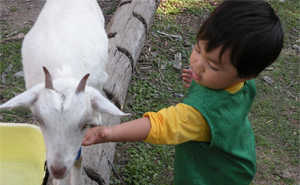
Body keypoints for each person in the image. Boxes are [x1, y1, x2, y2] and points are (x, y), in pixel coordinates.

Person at [82, 0, 284, 184]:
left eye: (212, 66)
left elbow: (161, 124)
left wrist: (111, 132)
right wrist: (202, 80)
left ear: (245, 75)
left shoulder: (199, 116)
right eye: (197, 49)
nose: (197, 64)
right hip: (239, 152)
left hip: (215, 175)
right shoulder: (240, 83)